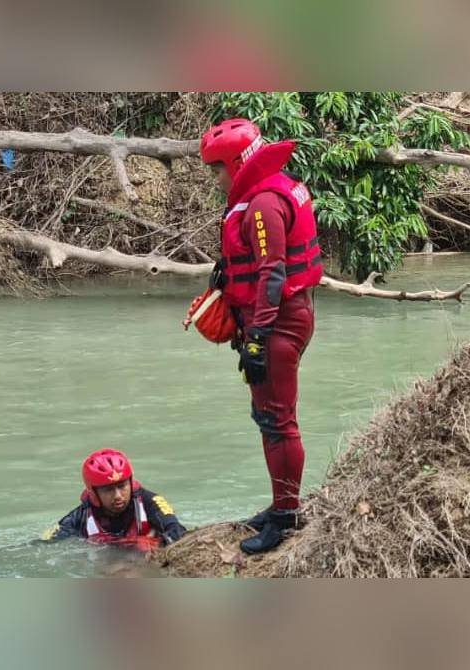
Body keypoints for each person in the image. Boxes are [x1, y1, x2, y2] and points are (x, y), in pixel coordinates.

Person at [198, 118, 321, 554]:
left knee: (278, 421)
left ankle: (286, 518)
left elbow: (272, 274)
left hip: (279, 321)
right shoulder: (272, 188)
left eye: (217, 169)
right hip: (280, 318)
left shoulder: (264, 203)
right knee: (269, 418)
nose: (216, 179)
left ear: (236, 162)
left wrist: (257, 337)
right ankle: (281, 504)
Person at [42, 448, 186, 552]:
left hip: (144, 560)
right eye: (108, 489)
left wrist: (158, 542)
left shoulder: (150, 501)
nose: (118, 495)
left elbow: (177, 530)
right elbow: (45, 545)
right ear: (93, 493)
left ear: (130, 482)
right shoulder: (79, 517)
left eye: (122, 486)